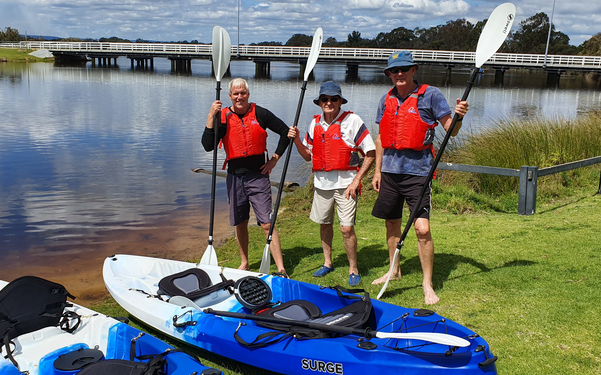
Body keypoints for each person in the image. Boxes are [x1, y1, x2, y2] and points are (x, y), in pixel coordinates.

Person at [370, 51, 469, 305]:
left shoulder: (431, 95)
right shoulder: (385, 99)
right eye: (394, 70)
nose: (399, 74)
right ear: (389, 74)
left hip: (419, 173)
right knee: (391, 224)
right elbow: (381, 137)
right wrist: (377, 170)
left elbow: (451, 131)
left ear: (414, 70)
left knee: (422, 229)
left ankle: (427, 283)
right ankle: (394, 270)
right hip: (391, 172)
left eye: (404, 69)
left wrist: (459, 116)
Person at [287, 81, 375, 287]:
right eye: (325, 99)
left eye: (333, 99)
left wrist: (356, 181)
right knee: (324, 224)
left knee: (346, 229)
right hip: (321, 185)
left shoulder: (352, 121)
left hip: (346, 186)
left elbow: (371, 153)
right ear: (319, 102)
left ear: (339, 101)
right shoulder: (314, 123)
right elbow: (308, 156)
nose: (329, 103)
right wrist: (297, 140)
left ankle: (353, 268)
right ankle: (327, 263)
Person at [201, 77, 290, 275]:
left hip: (258, 176)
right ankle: (244, 262)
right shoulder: (222, 117)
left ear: (248, 94)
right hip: (234, 177)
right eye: (236, 93)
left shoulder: (260, 113)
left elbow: (286, 132)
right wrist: (210, 116)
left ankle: (281, 268)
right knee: (240, 222)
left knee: (267, 223)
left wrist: (274, 159)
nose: (239, 97)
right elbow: (208, 146)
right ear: (230, 96)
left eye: (243, 93)